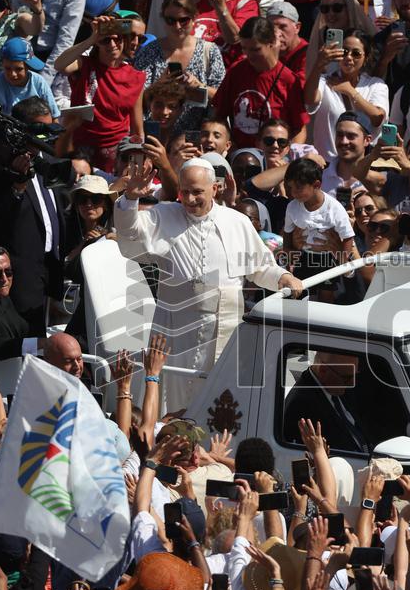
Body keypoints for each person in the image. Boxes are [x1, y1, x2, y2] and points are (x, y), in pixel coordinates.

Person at [115, 157, 302, 412]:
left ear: (215, 188)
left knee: (218, 403)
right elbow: (129, 237)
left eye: (198, 192)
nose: (190, 199)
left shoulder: (237, 222)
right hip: (176, 328)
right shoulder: (163, 215)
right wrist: (130, 200)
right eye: (185, 192)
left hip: (224, 326)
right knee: (173, 398)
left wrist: (283, 277)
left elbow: (260, 267)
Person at [0, 97, 66, 334]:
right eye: (39, 129)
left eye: (49, 127)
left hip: (52, 269)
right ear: (20, 128)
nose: (44, 136)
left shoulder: (47, 161)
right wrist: (17, 184)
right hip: (20, 276)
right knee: (29, 342)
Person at [54, 15, 145, 172]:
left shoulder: (135, 77)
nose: (112, 45)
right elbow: (60, 65)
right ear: (98, 44)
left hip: (114, 155)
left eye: (118, 39)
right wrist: (92, 38)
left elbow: (137, 129)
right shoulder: (85, 64)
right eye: (105, 40)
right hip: (79, 150)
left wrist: (138, 164)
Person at [133, 0, 225, 133]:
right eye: (170, 20)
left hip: (193, 138)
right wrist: (159, 85)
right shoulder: (150, 51)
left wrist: (200, 86)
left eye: (183, 20)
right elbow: (135, 99)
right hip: (153, 134)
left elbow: (222, 98)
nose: (177, 26)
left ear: (194, 18)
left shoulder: (210, 51)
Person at [214, 17, 309, 148]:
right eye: (244, 48)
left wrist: (288, 157)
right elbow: (219, 114)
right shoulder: (236, 71)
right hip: (240, 155)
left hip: (274, 155)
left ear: (271, 43)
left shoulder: (288, 80)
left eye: (255, 49)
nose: (248, 55)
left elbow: (299, 128)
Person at [282, 158, 358, 301]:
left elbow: (348, 236)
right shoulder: (292, 207)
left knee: (326, 294)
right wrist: (288, 252)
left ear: (316, 184)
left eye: (298, 187)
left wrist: (342, 261)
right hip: (303, 257)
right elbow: (288, 232)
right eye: (290, 187)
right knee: (299, 292)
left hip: (327, 259)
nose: (293, 192)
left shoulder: (334, 208)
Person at [304, 30, 387, 158]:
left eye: (356, 53)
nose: (349, 57)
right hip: (327, 163)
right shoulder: (324, 81)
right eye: (344, 51)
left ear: (366, 57)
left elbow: (377, 118)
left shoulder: (376, 85)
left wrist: (349, 90)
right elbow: (310, 100)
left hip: (361, 167)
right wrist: (319, 64)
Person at [282, 352, 374, 452]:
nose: (352, 383)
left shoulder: (339, 387)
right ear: (323, 370)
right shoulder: (301, 406)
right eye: (347, 378)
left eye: (355, 375)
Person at [0, 37, 59, 118]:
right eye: (7, 68)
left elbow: (53, 116)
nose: (13, 74)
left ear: (28, 67)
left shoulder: (38, 82)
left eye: (19, 69)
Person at [267, 2, 308, 82]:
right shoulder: (266, 50)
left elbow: (298, 88)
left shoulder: (308, 54)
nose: (276, 34)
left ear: (297, 27)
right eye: (270, 27)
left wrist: (272, 61)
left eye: (282, 27)